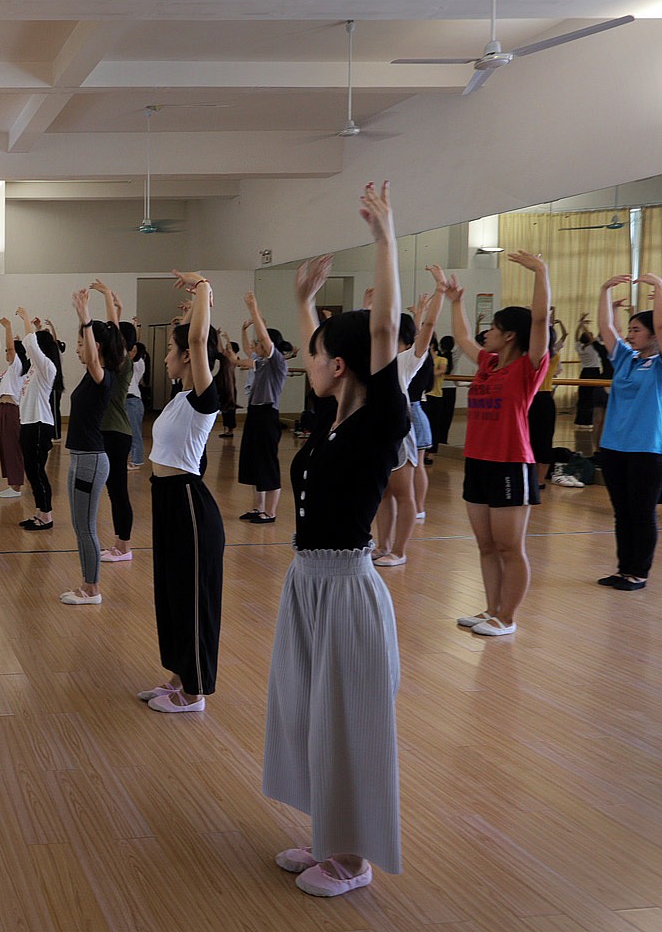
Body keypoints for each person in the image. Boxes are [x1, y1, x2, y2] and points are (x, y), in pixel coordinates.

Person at [262, 183, 408, 899]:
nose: (308, 362)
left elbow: (379, 335)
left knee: (348, 720)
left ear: (340, 365)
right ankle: (330, 834)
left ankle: (353, 860)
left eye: (315, 353)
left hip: (347, 587)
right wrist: (303, 303)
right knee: (312, 710)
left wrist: (385, 238)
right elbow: (342, 351)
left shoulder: (381, 422)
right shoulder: (331, 424)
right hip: (308, 581)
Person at [441, 249, 552, 637]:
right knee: (486, 546)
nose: (485, 332)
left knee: (509, 548)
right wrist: (455, 302)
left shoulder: (529, 367)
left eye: (493, 327)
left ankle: (507, 617)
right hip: (478, 461)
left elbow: (539, 318)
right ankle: (491, 609)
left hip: (510, 463)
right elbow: (462, 336)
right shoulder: (487, 364)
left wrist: (540, 272)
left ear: (509, 336)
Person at [136, 269, 223, 713]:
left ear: (190, 358)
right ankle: (177, 677)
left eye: (172, 350)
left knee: (191, 598)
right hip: (167, 501)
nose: (167, 356)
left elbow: (197, 340)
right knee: (171, 595)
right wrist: (190, 309)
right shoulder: (179, 397)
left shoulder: (204, 401)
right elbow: (193, 337)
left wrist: (203, 288)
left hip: (189, 505)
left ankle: (195, 693)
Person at [594, 273, 662, 591]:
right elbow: (606, 329)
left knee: (642, 513)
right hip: (614, 447)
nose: (630, 335)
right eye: (629, 329)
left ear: (652, 335)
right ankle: (623, 569)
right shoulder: (625, 360)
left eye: (635, 329)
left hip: (648, 449)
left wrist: (660, 287)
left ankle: (639, 572)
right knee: (622, 513)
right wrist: (604, 290)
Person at [372, 280, 443, 566]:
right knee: (383, 493)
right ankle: (383, 545)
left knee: (403, 492)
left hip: (400, 434)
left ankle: (399, 551)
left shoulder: (406, 360)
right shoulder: (378, 360)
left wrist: (439, 292)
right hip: (378, 435)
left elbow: (425, 331)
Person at [59, 288, 122, 604]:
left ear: (95, 348)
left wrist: (85, 315)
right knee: (78, 525)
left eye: (82, 343)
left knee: (85, 529)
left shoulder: (102, 376)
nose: (77, 348)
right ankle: (87, 584)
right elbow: (114, 334)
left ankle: (91, 589)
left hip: (91, 461)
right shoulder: (91, 376)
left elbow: (99, 356)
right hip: (81, 459)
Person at [90, 280, 136, 563]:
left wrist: (108, 295)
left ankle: (123, 546)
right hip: (109, 432)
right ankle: (120, 544)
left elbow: (115, 333)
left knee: (118, 490)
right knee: (112, 490)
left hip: (116, 433)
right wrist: (116, 306)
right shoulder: (111, 365)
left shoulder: (122, 364)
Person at [235, 295, 288, 524]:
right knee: (254, 462)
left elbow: (265, 341)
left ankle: (271, 511)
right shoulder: (261, 361)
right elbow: (249, 349)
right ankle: (258, 508)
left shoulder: (277, 362)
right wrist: (243, 329)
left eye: (260, 343)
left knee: (267, 463)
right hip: (255, 413)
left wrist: (254, 309)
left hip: (268, 415)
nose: (256, 346)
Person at [15, 307, 60, 531]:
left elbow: (32, 345)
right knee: (33, 471)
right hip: (30, 424)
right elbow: (34, 346)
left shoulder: (47, 368)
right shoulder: (35, 368)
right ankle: (40, 512)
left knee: (36, 471)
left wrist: (26, 321)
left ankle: (46, 515)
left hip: (39, 425)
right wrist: (37, 328)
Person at [526, 312, 566, 493]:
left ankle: (538, 480)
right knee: (538, 440)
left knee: (540, 440)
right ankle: (536, 479)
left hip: (540, 398)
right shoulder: (548, 356)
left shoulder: (547, 356)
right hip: (536, 399)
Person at [0, 314, 26, 498]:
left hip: (12, 410)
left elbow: (11, 348)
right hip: (3, 409)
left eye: (8, 352)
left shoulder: (18, 365)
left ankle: (16, 487)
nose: (6, 354)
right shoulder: (11, 369)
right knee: (5, 446)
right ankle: (12, 483)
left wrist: (8, 327)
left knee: (13, 447)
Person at [574, 314, 608, 428]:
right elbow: (596, 336)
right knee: (591, 397)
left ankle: (580, 422)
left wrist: (581, 324)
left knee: (583, 397)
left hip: (584, 373)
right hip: (594, 373)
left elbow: (575, 337)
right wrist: (583, 325)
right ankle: (589, 422)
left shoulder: (579, 347)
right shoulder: (593, 347)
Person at [125, 340, 147, 470]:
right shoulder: (128, 365)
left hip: (133, 402)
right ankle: (131, 457)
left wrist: (135, 329)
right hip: (127, 401)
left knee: (135, 432)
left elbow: (133, 349)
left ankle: (137, 460)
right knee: (127, 433)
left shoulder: (138, 364)